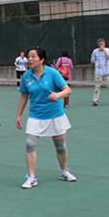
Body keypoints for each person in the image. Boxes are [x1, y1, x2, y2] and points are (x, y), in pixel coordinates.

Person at [15, 47, 75, 189]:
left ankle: (64, 171)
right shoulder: (26, 76)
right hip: (35, 115)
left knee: (60, 146)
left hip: (55, 114)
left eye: (33, 56)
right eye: (29, 56)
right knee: (30, 143)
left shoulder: (53, 73)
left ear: (42, 60)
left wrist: (58, 95)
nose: (30, 59)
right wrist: (18, 115)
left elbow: (68, 90)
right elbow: (23, 96)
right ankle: (31, 177)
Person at [90, 38, 109, 106]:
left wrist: (103, 50)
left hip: (107, 71)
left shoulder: (108, 50)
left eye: (102, 44)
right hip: (98, 71)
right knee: (97, 86)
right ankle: (95, 101)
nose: (101, 45)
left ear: (104, 44)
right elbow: (92, 60)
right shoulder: (95, 51)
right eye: (99, 44)